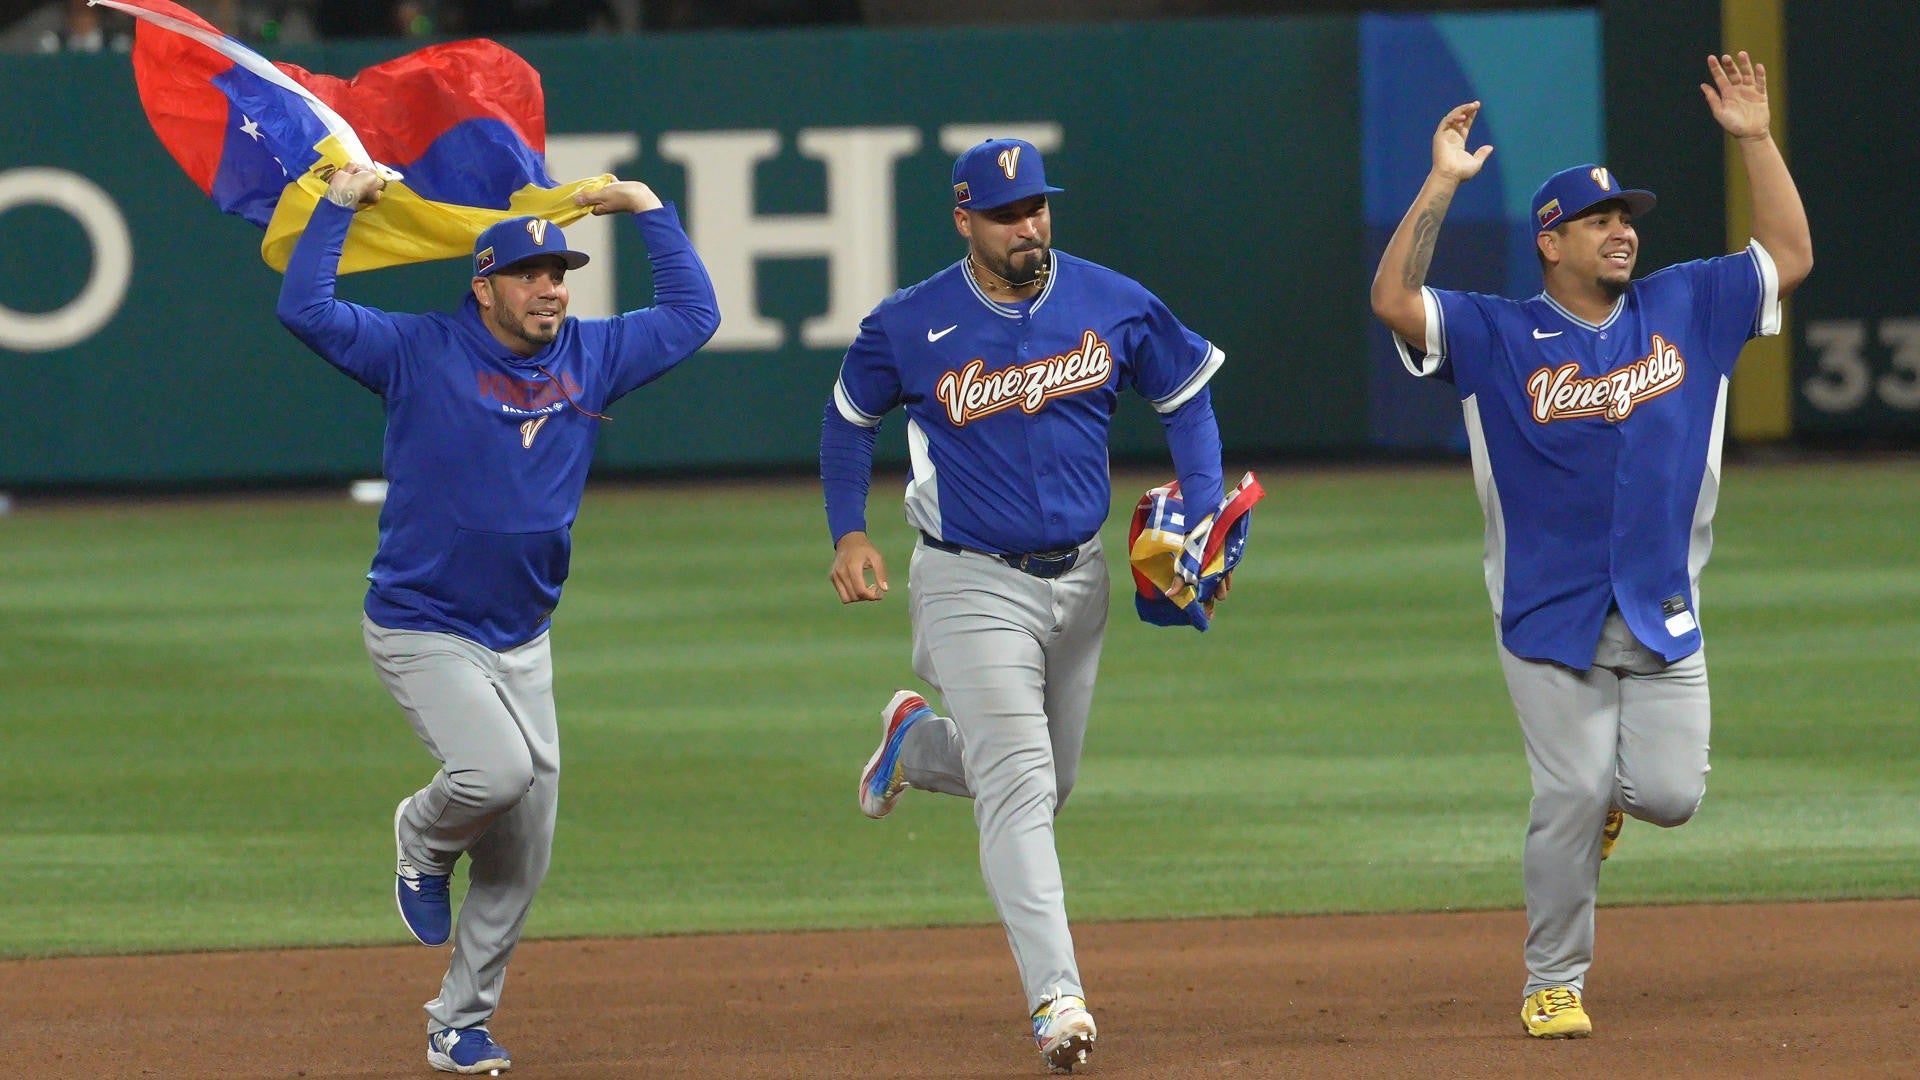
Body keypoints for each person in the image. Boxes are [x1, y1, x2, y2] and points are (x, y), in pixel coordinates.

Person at [1368, 53, 1811, 1039]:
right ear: (1551, 243)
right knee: (1566, 792)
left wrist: (1755, 140)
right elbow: (1397, 301)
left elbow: (1788, 254)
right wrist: (1441, 182)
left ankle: (1610, 800)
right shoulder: (1494, 334)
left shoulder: (1689, 304)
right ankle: (1552, 981)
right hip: (1545, 610)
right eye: (1600, 220)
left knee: (1669, 796)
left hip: (1660, 603)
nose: (1623, 231)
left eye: (1627, 218)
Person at [276, 163, 719, 1074]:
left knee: (523, 855)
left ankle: (458, 1023)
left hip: (524, 638)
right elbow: (308, 311)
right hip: (422, 623)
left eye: (560, 272)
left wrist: (648, 210)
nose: (551, 287)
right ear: (483, 286)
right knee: (494, 771)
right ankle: (421, 835)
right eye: (531, 273)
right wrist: (337, 206)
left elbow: (691, 317)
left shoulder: (591, 355)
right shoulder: (420, 349)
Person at [819, 137, 1229, 1073]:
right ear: (965, 220)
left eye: (1038, 207)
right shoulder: (910, 322)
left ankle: (916, 744)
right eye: (1007, 214)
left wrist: (1200, 503)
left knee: (1052, 781)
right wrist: (849, 529)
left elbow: (1186, 396)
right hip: (968, 577)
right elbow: (848, 418)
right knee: (1020, 789)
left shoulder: (1110, 299)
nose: (1029, 225)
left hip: (1082, 580)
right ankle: (1059, 1000)